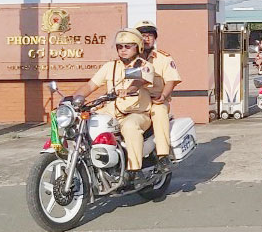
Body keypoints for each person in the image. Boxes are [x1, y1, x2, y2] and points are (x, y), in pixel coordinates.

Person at [69, 28, 155, 178]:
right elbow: (90, 85)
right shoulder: (110, 66)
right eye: (120, 47)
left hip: (136, 113)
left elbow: (140, 80)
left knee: (130, 127)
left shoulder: (143, 65)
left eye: (128, 46)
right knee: (88, 122)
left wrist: (129, 90)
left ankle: (136, 170)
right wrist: (76, 98)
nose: (123, 50)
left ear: (138, 47)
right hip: (111, 111)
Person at [136, 20, 181, 173]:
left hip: (156, 100)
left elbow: (171, 80)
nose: (146, 39)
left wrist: (163, 95)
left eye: (149, 35)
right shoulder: (130, 58)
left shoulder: (163, 58)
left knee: (159, 112)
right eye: (142, 35)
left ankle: (163, 155)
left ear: (155, 38)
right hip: (135, 102)